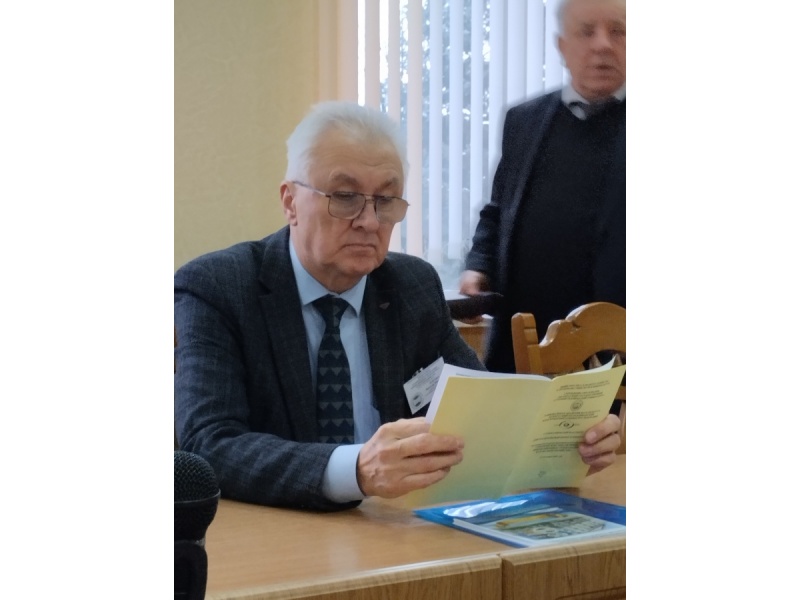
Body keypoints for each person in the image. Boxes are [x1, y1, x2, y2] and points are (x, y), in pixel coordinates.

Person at [174, 101, 621, 512]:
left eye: (386, 201)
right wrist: (355, 470)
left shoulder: (411, 286)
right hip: (277, 534)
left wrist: (565, 442)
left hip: (396, 531)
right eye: (345, 197)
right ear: (290, 201)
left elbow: (486, 408)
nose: (369, 222)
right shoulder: (219, 288)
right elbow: (206, 444)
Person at [460, 0, 626, 373]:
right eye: (587, 32)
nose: (603, 44)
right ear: (562, 46)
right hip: (522, 346)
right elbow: (498, 210)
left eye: (618, 31)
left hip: (618, 356)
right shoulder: (524, 121)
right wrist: (479, 266)